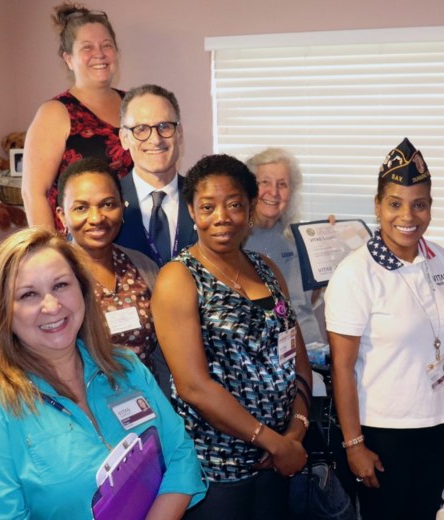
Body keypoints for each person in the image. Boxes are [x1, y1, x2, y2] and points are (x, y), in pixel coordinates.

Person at [0, 228, 206, 519]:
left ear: (83, 290)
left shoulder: (126, 367)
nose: (52, 306)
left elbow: (181, 456)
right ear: (3, 310)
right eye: (29, 294)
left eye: (61, 285)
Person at [151, 154, 312, 518]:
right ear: (192, 211)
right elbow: (193, 386)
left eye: (235, 205)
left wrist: (296, 430)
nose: (222, 217)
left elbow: (296, 357)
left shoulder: (266, 268)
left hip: (278, 458)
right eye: (207, 206)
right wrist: (272, 441)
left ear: (251, 209)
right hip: (218, 468)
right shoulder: (179, 278)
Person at [325, 138, 444, 520]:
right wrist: (354, 445)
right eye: (395, 204)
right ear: (377, 206)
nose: (408, 215)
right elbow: (342, 367)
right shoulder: (356, 274)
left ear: (430, 208)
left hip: (442, 422)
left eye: (419, 204)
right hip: (385, 433)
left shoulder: (441, 259)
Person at [55, 157, 171, 396]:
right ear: (61, 216)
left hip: (146, 401)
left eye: (108, 204)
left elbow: (163, 351)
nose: (96, 218)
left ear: (122, 207)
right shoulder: (53, 275)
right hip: (83, 408)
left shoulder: (143, 267)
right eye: (81, 208)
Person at [22, 2, 132, 231]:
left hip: (134, 240)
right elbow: (33, 193)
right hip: (78, 246)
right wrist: (51, 254)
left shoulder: (134, 104)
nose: (99, 54)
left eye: (106, 45)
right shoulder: (55, 112)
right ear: (68, 59)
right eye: (87, 48)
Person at [245, 148, 324, 346]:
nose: (273, 192)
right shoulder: (235, 240)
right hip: (261, 354)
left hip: (310, 347)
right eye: (265, 182)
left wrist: (330, 241)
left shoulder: (301, 237)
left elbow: (308, 300)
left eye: (282, 184)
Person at [114, 84, 198, 267]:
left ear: (180, 133)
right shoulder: (106, 204)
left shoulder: (203, 200)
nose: (155, 139)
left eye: (164, 126)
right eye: (141, 129)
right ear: (124, 138)